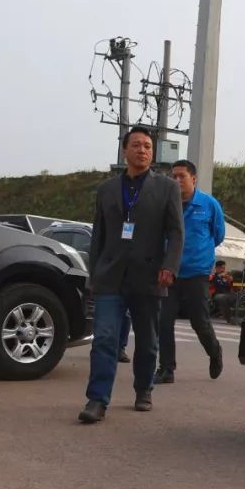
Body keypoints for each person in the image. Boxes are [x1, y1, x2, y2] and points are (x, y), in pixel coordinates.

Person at [78, 127, 184, 423]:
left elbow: (176, 232)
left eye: (148, 146)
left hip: (149, 275)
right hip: (111, 275)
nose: (143, 150)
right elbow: (98, 234)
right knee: (104, 339)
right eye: (136, 145)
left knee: (148, 341)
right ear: (124, 151)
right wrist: (94, 273)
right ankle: (97, 400)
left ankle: (143, 389)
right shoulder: (107, 189)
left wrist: (169, 266)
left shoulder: (167, 188)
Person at [154, 159, 227, 384]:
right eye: (173, 176)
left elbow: (218, 235)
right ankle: (166, 369)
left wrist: (199, 254)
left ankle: (215, 352)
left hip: (197, 274)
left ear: (193, 179)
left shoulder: (209, 204)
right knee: (164, 321)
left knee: (200, 321)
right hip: (170, 273)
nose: (176, 180)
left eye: (181, 176)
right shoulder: (166, 204)